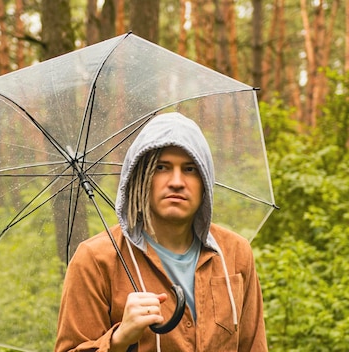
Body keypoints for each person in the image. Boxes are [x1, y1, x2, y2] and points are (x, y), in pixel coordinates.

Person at [55, 112, 268, 351]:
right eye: (161, 167)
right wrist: (118, 339)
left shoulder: (235, 254)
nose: (176, 181)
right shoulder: (95, 260)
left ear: (205, 181)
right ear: (140, 176)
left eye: (190, 169)